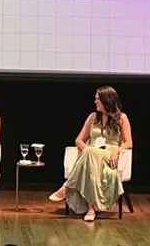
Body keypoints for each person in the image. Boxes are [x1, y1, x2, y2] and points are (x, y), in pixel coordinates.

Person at [49, 85, 133, 221]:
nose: (95, 102)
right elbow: (79, 140)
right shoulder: (92, 117)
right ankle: (91, 209)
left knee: (89, 154)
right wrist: (87, 149)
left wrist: (116, 151)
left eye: (97, 99)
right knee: (90, 157)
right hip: (90, 156)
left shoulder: (121, 118)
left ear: (107, 100)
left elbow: (129, 142)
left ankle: (67, 188)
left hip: (108, 155)